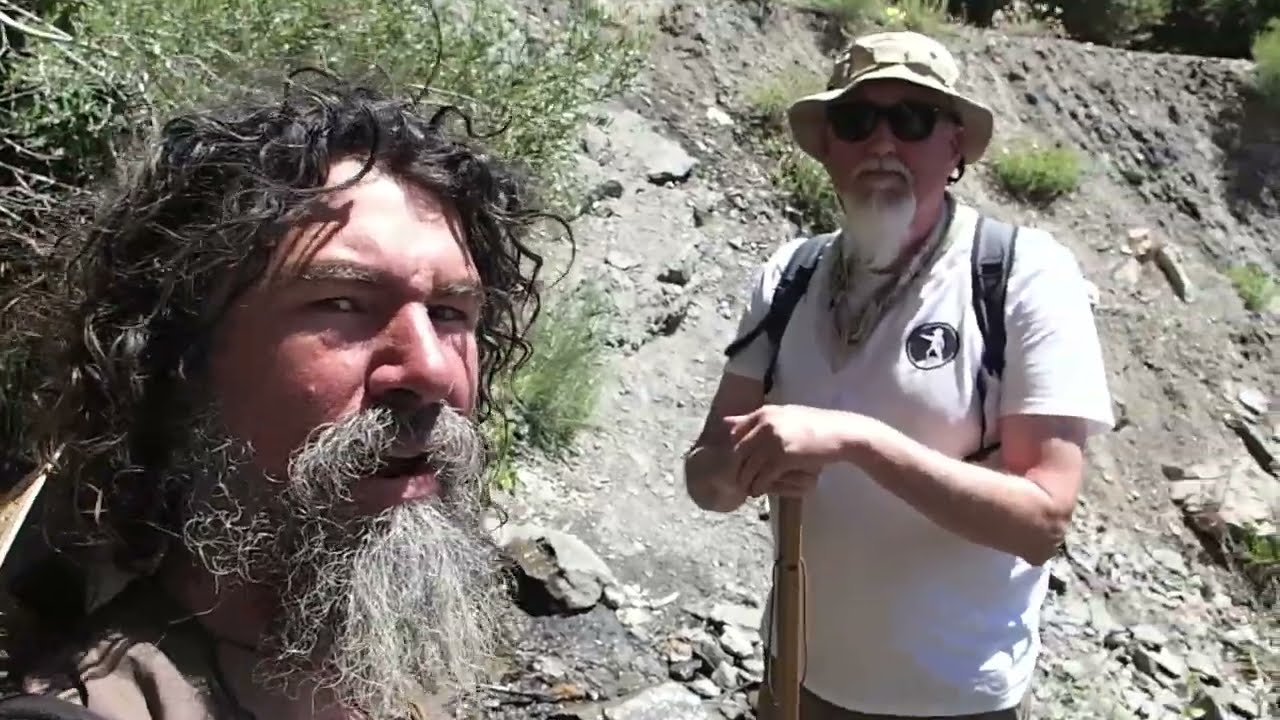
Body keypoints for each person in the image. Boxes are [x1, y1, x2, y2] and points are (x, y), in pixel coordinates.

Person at [0, 73, 552, 720]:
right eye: (342, 303)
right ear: (180, 366)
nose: (432, 369)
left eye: (452, 312)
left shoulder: (374, 675)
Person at [682, 31, 1115, 720]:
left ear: (955, 148)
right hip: (796, 680)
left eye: (912, 120)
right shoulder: (789, 275)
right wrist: (741, 469)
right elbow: (706, 475)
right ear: (828, 147)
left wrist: (856, 441)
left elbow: (1042, 521)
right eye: (857, 121)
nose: (882, 144)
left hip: (953, 699)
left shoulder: (1021, 275)